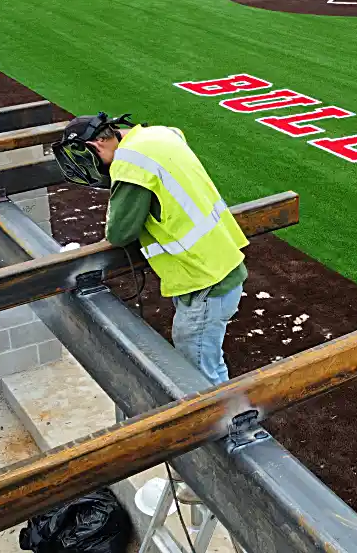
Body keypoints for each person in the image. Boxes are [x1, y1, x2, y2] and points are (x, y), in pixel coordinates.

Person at [53, 113, 248, 386]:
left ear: (97, 145)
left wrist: (120, 185)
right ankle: (225, 417)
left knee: (200, 375)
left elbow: (119, 232)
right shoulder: (156, 135)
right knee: (207, 363)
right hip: (218, 263)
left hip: (204, 279)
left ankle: (223, 423)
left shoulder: (130, 163)